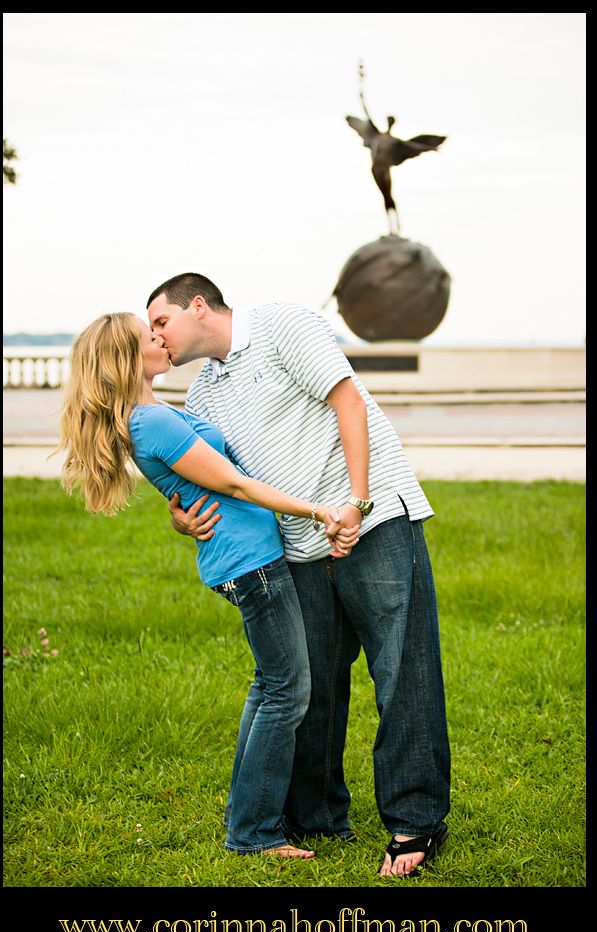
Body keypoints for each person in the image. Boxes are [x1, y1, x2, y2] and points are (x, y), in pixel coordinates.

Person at [146, 273, 451, 877]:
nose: (155, 337)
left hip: (373, 521)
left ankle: (414, 822)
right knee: (313, 686)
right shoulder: (202, 395)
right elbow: (212, 477)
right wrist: (180, 520)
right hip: (297, 548)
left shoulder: (283, 325)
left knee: (403, 671)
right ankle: (316, 814)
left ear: (198, 305)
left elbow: (348, 401)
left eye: (160, 322)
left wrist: (356, 505)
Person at [57, 311, 360, 859]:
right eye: (149, 335)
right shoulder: (150, 423)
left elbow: (203, 487)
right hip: (251, 563)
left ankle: (248, 820)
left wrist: (180, 515)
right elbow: (235, 485)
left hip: (244, 558)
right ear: (127, 357)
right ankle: (254, 834)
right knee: (287, 691)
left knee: (272, 685)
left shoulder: (152, 414)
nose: (160, 339)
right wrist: (319, 511)